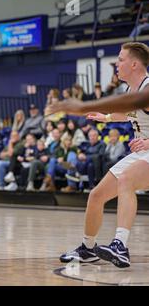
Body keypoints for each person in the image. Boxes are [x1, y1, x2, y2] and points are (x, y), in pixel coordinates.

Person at [51, 42, 149, 268]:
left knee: (126, 179)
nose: (117, 64)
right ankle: (87, 248)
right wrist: (104, 118)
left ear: (134, 64)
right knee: (96, 195)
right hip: (142, 153)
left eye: (121, 59)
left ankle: (120, 246)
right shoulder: (131, 90)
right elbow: (126, 113)